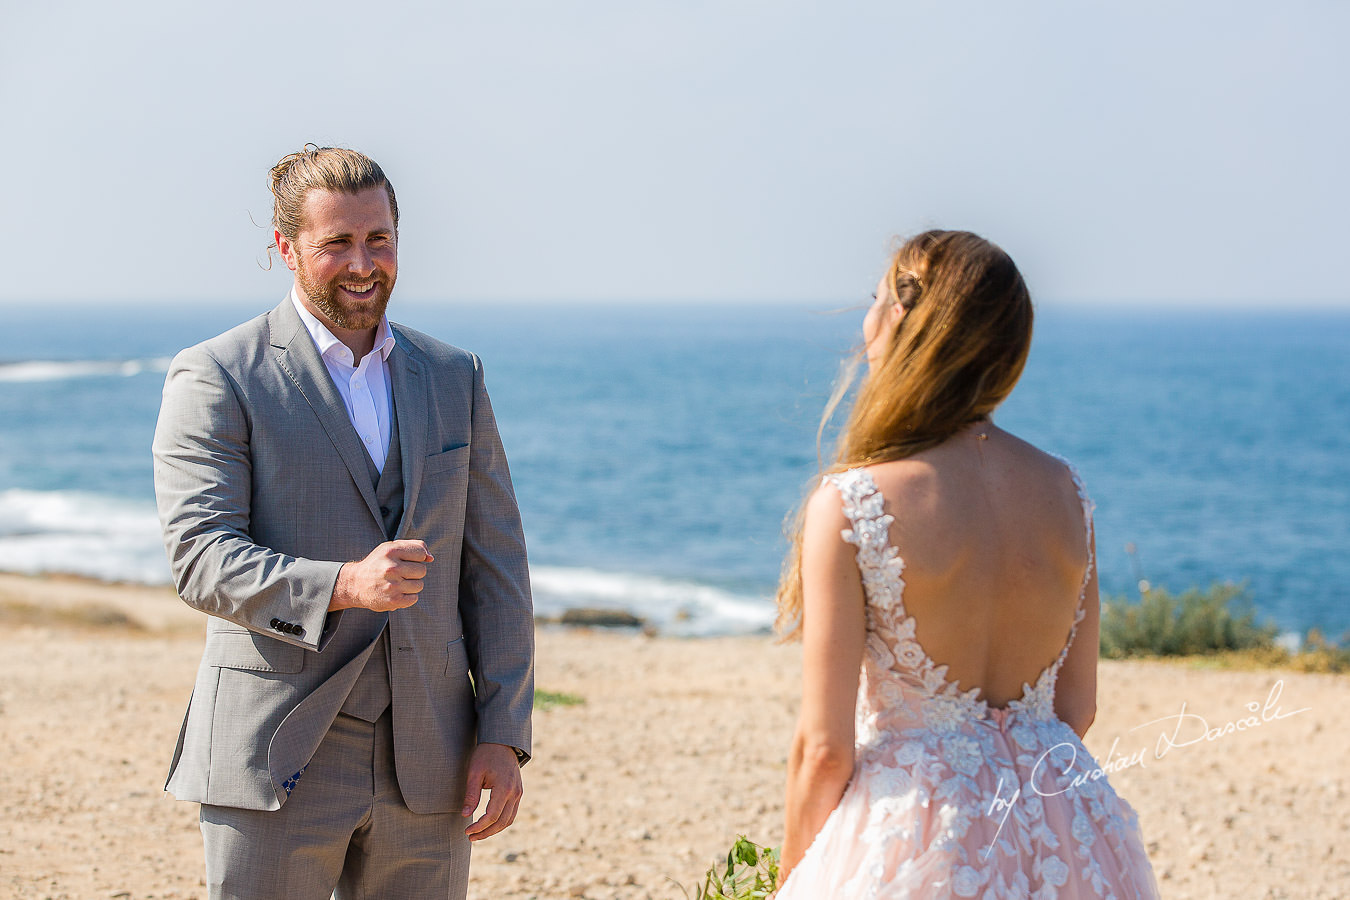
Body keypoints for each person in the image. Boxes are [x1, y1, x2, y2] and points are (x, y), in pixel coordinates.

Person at [152, 145, 534, 899]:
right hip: (275, 748)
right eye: (337, 244)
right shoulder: (218, 374)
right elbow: (200, 557)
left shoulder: (454, 375)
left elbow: (495, 566)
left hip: (431, 754)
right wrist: (345, 585)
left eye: (379, 238)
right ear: (286, 248)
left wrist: (504, 731)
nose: (363, 263)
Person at [774, 231, 1159, 898]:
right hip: (1063, 823)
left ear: (904, 322)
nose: (865, 320)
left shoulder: (854, 502)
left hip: (919, 832)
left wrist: (790, 880)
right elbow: (1076, 706)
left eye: (876, 301)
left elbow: (825, 749)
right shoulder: (1066, 491)